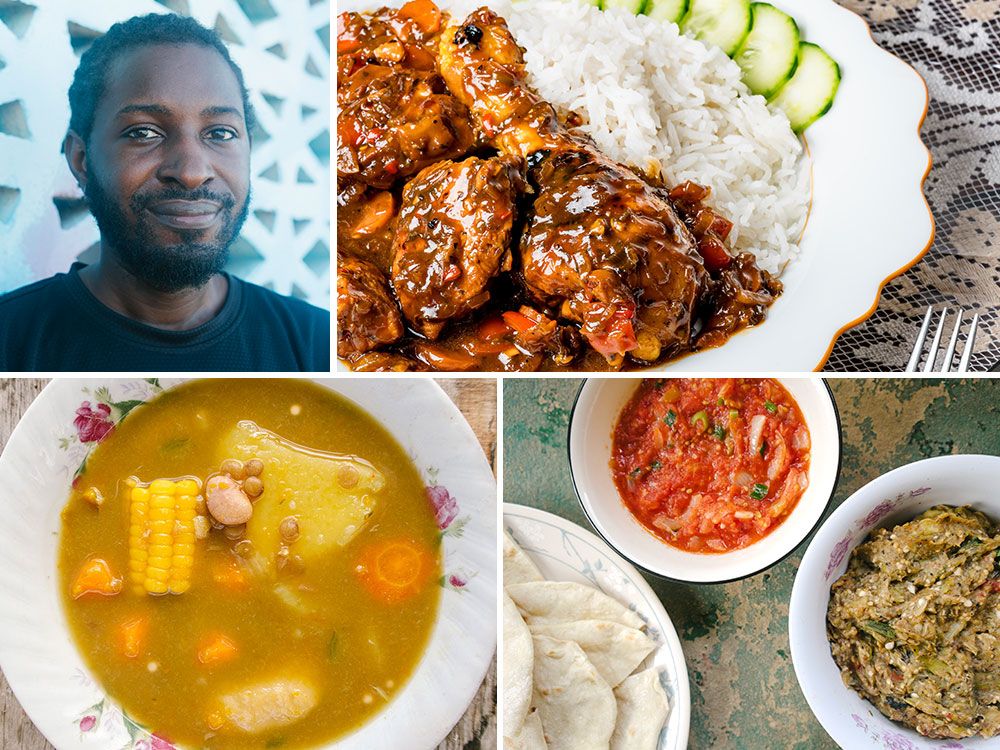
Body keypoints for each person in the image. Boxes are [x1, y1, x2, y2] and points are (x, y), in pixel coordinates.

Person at [0, 13, 330, 371]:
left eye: (220, 133)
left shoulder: (318, 345)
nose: (191, 172)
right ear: (81, 160)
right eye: (144, 132)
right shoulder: (11, 340)